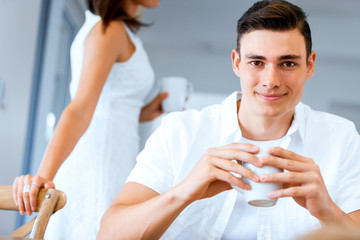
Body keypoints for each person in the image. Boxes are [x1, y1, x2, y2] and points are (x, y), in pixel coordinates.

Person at [97, 0, 360, 239]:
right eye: (257, 62)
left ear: (310, 65)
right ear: (236, 63)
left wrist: (330, 214)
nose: (271, 81)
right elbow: (108, 235)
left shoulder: (341, 137)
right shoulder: (179, 131)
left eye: (288, 63)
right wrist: (183, 192)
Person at [12, 0, 166, 238]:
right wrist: (43, 177)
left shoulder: (118, 30)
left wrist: (143, 112)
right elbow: (80, 109)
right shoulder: (109, 29)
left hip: (114, 160)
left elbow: (108, 103)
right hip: (97, 168)